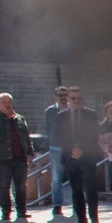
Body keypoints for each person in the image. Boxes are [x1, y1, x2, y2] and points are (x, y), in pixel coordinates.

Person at [0, 93, 34, 223]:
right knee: (4, 186)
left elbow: (27, 137)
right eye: (4, 102)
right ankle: (6, 212)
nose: (7, 104)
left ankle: (22, 211)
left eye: (9, 102)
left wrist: (30, 153)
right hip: (2, 159)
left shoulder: (20, 118)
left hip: (20, 158)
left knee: (21, 186)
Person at [57, 87, 102, 223]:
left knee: (90, 189)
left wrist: (82, 150)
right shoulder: (61, 116)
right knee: (76, 190)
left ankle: (94, 219)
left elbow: (94, 135)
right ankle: (81, 219)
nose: (76, 101)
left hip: (87, 157)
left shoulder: (91, 114)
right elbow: (59, 136)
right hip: (70, 158)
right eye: (73, 98)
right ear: (68, 99)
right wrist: (72, 150)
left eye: (79, 98)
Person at [43, 87, 70, 216]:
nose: (63, 97)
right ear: (55, 96)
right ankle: (57, 205)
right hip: (56, 149)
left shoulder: (73, 109)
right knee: (56, 179)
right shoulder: (50, 111)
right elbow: (48, 129)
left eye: (65, 95)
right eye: (60, 95)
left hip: (72, 149)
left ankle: (77, 204)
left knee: (75, 177)